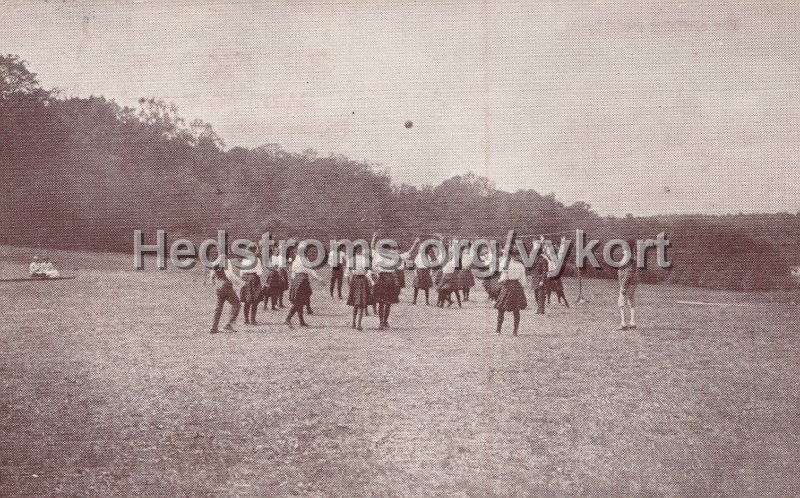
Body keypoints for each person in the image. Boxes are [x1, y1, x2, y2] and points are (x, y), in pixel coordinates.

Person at [285, 243, 323, 328]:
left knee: (300, 302)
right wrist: (319, 279)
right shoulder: (302, 259)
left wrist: (293, 283)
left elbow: (293, 273)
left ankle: (301, 322)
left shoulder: (297, 259)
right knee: (299, 302)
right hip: (301, 281)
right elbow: (310, 271)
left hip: (299, 281)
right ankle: (288, 319)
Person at [370, 232, 401, 329]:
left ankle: (385, 321)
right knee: (382, 302)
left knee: (387, 302)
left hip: (388, 278)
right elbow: (372, 249)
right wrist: (374, 238)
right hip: (383, 278)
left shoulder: (392, 256)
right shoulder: (380, 255)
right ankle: (381, 322)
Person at [494, 245, 528, 335]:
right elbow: (523, 281)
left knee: (501, 309)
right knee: (516, 310)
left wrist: (499, 281)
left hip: (507, 286)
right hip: (517, 287)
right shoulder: (521, 265)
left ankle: (498, 330)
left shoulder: (506, 263)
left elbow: (503, 277)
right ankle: (515, 331)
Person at [206, 253, 242, 334]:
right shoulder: (226, 261)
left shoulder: (215, 262)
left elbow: (212, 277)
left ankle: (214, 327)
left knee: (218, 307)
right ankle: (230, 324)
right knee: (237, 304)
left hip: (218, 287)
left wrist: (215, 284)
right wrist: (241, 283)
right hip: (226, 285)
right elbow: (230, 275)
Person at [344, 244, 374, 330]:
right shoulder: (354, 260)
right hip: (357, 280)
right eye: (359, 249)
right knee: (358, 303)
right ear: (357, 250)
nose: (360, 250)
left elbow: (368, 272)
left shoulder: (362, 260)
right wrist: (349, 284)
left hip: (360, 280)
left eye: (361, 249)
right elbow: (347, 273)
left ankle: (357, 324)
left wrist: (370, 281)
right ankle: (355, 323)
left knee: (359, 303)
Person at [239, 245, 263, 325]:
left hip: (246, 280)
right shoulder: (257, 260)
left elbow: (241, 273)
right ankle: (252, 319)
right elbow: (260, 273)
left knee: (247, 301)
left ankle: (246, 320)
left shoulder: (244, 260)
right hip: (254, 279)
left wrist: (245, 278)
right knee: (254, 301)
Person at [617, 242, 638, 330]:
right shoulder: (632, 256)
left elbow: (628, 273)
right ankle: (632, 322)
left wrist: (624, 287)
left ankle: (623, 324)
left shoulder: (628, 257)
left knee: (621, 303)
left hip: (627, 284)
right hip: (632, 283)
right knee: (631, 301)